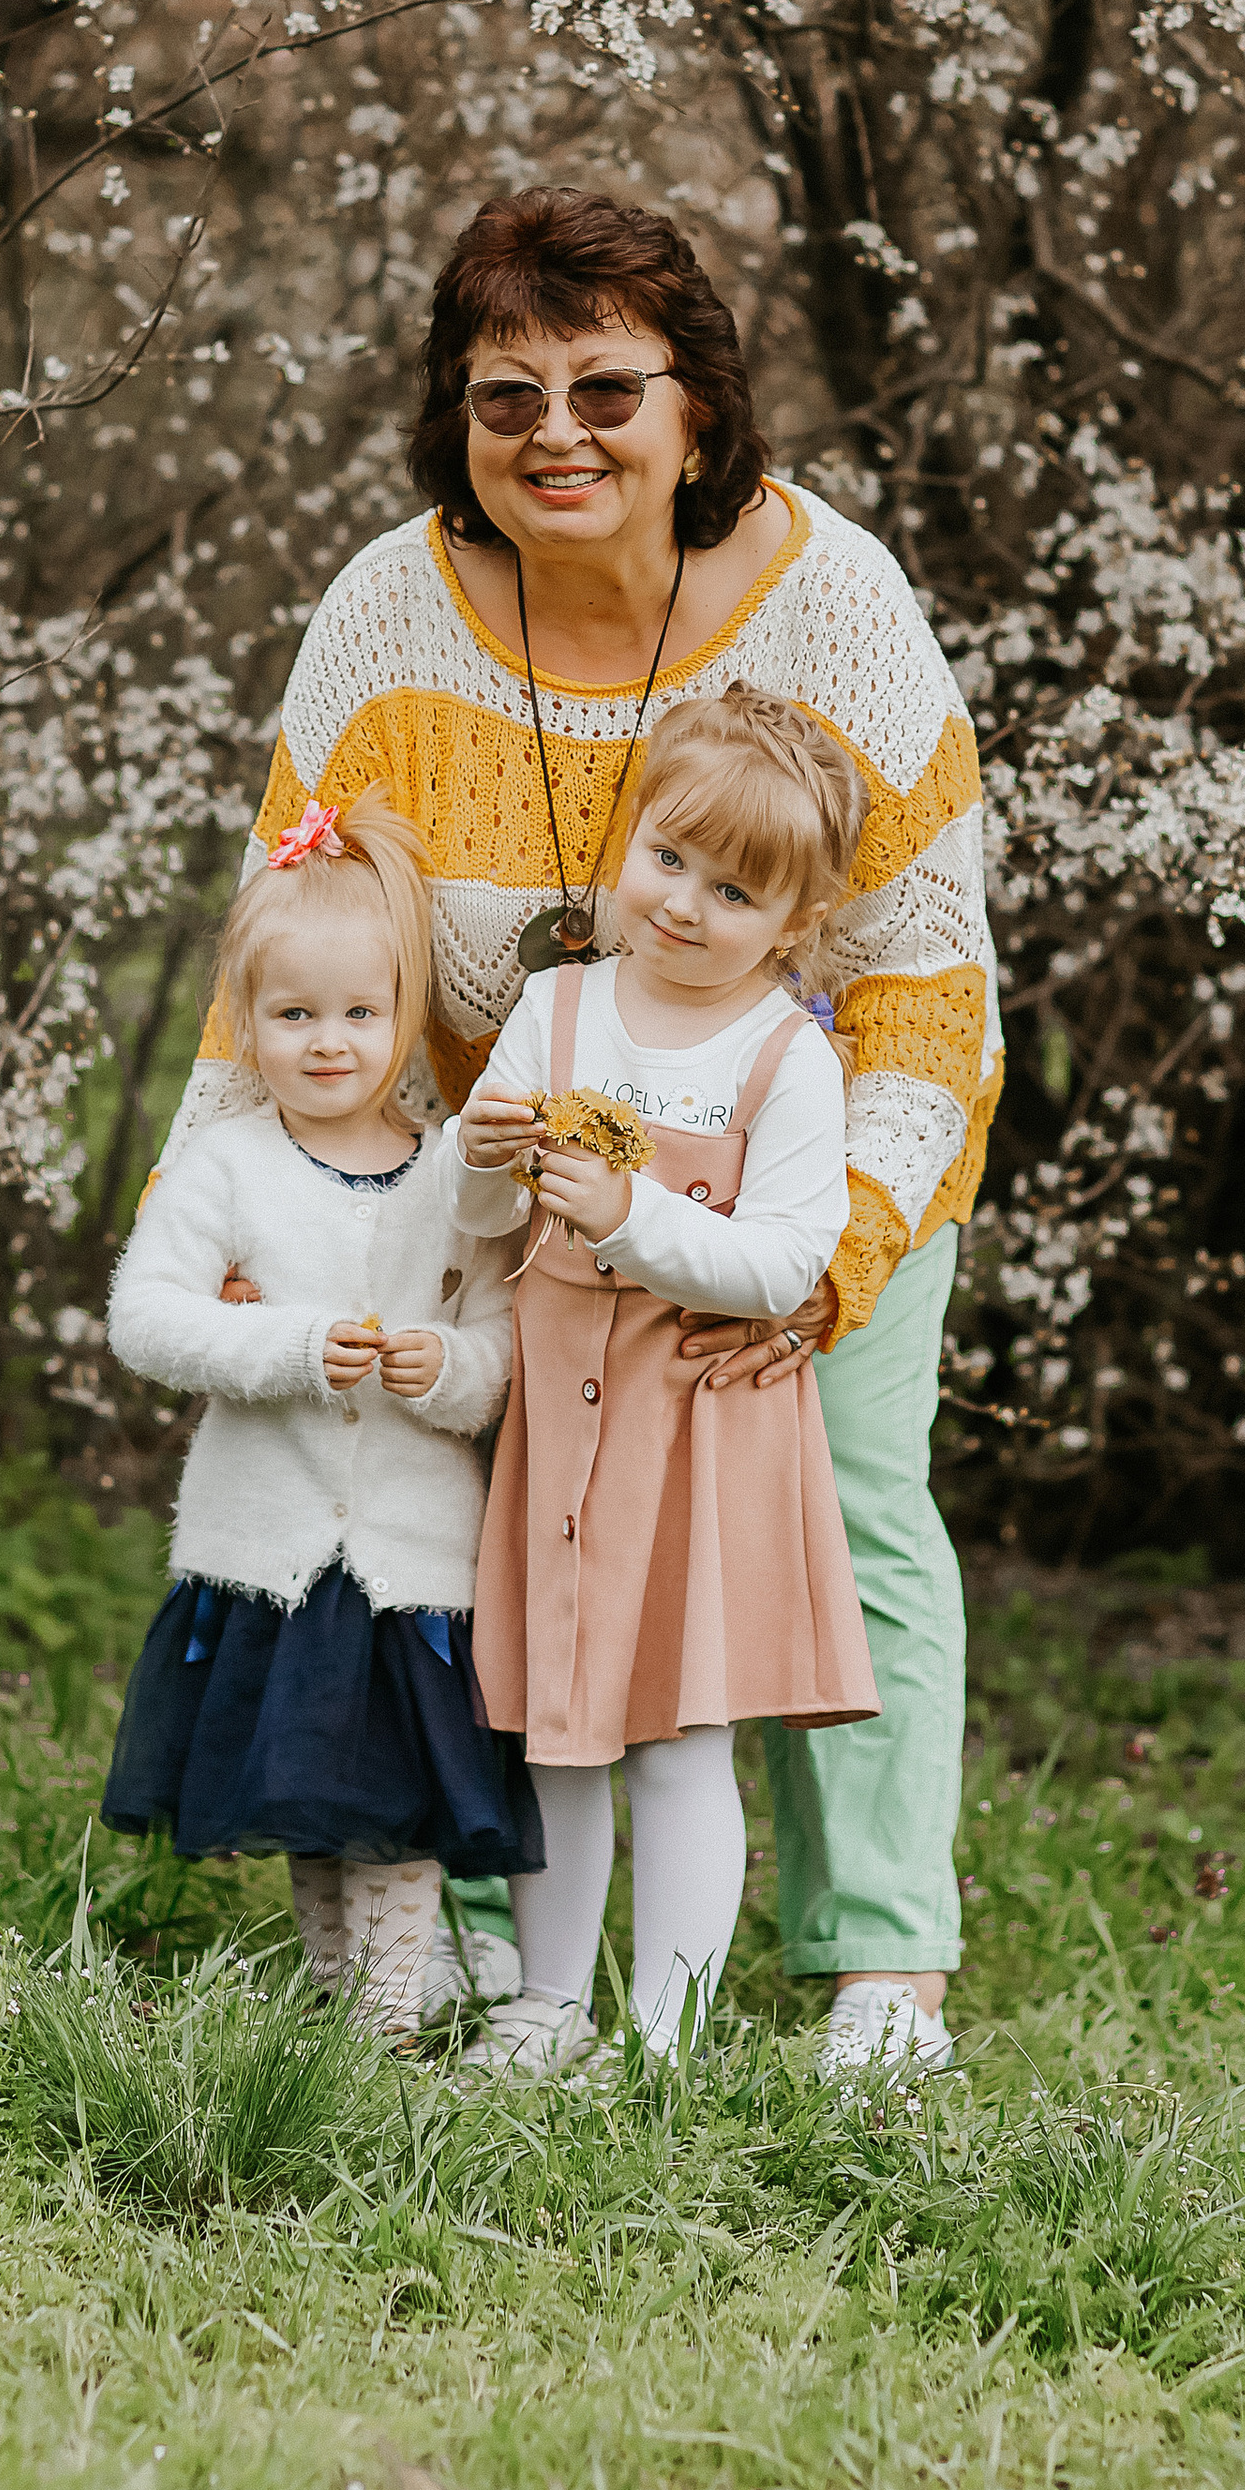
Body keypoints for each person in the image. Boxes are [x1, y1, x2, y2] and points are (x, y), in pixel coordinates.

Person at [159, 184, 999, 2078]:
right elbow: (296, 930)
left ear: (698, 408)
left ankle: (881, 1967)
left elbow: (922, 975)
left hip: (814, 1134)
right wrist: (235, 1198)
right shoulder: (386, 618)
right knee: (488, 1527)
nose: (557, 434)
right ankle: (472, 1942)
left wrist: (840, 1246)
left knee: (840, 1508)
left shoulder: (836, 607)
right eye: (505, 393)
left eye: (607, 389)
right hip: (521, 1177)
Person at [448, 685, 876, 2072]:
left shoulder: (782, 1061)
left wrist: (629, 1214)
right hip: (562, 1429)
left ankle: (668, 2029)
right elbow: (478, 1228)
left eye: (736, 891)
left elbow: (784, 1265)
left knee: (680, 1737)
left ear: (793, 925)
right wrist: (481, 1157)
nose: (686, 906)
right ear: (630, 846)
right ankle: (547, 2003)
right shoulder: (559, 1009)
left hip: (694, 1431)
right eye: (669, 861)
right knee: (559, 1729)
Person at [100, 790, 538, 2043]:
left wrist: (439, 1368)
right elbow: (148, 1318)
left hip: (411, 1562)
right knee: (303, 1792)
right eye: (294, 1016)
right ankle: (339, 2004)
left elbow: (506, 1352)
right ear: (247, 1021)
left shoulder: (456, 1172)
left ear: (406, 1018)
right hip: (270, 1549)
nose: (329, 1043)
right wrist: (294, 1343)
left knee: (392, 1805)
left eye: (360, 1013)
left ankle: (386, 2025)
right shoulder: (228, 1164)